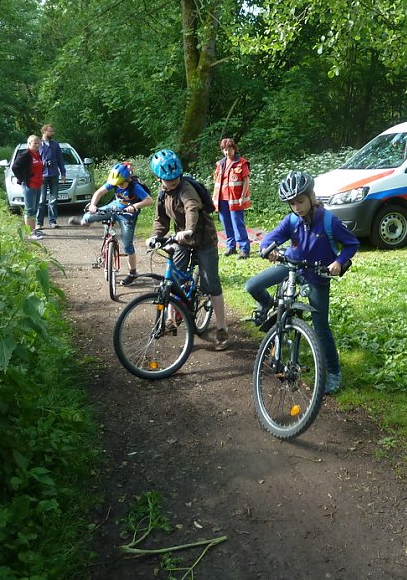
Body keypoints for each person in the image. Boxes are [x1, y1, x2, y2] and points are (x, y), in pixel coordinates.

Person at [245, 170, 359, 394]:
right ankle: (268, 305)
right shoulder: (292, 220)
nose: (297, 206)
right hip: (291, 265)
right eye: (292, 203)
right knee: (252, 286)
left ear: (311, 196)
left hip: (317, 274)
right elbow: (271, 237)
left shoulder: (328, 221)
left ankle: (334, 372)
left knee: (321, 326)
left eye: (300, 201)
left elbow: (352, 244)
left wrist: (339, 262)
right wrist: (268, 249)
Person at [147, 148, 229, 351]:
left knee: (211, 283)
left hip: (203, 239)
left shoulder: (186, 189)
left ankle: (221, 328)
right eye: (168, 180)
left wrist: (189, 229)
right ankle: (171, 321)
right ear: (159, 178)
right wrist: (155, 237)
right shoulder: (162, 195)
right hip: (183, 240)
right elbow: (161, 220)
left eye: (175, 178)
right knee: (174, 279)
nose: (173, 182)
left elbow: (191, 207)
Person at [69, 162, 153, 286]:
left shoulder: (134, 187)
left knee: (128, 245)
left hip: (127, 215)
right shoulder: (114, 182)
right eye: (116, 184)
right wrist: (93, 204)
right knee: (89, 216)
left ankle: (132, 273)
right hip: (113, 207)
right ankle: (84, 222)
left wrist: (135, 206)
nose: (117, 185)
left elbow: (149, 200)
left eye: (120, 183)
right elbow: (100, 192)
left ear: (127, 180)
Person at [212, 138, 252, 259]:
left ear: (234, 149)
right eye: (224, 150)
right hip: (221, 199)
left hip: (234, 200)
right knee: (226, 224)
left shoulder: (242, 163)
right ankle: (231, 247)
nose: (227, 152)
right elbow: (216, 180)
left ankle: (244, 249)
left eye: (229, 149)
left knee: (237, 224)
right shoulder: (220, 164)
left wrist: (243, 196)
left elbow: (246, 180)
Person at [36, 124, 66, 230]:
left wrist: (63, 173)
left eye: (53, 131)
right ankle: (38, 222)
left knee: (53, 200)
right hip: (42, 175)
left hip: (54, 174)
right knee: (41, 200)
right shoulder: (38, 144)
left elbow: (60, 160)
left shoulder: (55, 145)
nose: (53, 133)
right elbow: (34, 159)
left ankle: (52, 221)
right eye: (51, 131)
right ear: (44, 132)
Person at [22, 135, 45, 240]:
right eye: (34, 143)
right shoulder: (26, 154)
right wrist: (23, 178)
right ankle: (30, 234)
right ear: (29, 144)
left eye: (37, 143)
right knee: (30, 210)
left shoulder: (36, 154)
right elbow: (16, 167)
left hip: (37, 184)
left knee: (35, 209)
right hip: (29, 185)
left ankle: (34, 230)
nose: (37, 145)